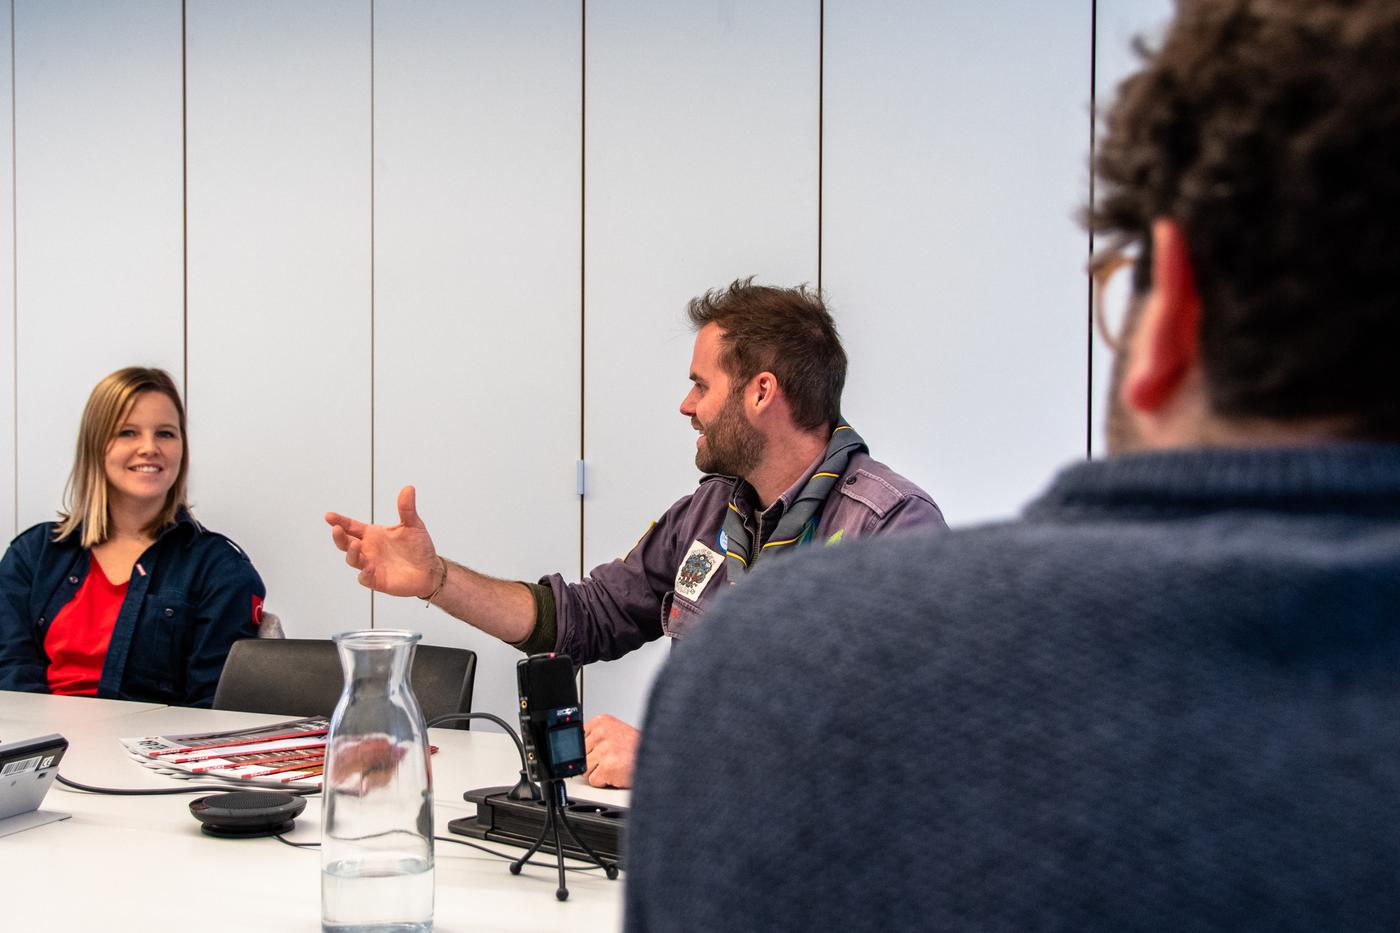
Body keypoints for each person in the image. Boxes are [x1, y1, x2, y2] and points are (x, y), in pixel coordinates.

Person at [624, 1, 1400, 930]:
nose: (684, 403)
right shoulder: (715, 529)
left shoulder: (794, 648)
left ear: (1170, 317)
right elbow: (597, 604)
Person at [326, 279, 946, 787]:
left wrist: (665, 759)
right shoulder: (709, 515)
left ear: (761, 392)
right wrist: (436, 579)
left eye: (702, 384)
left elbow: (896, 749)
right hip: (695, 837)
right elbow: (584, 618)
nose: (686, 405)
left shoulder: (891, 529)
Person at [0, 367, 266, 707]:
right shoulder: (32, 555)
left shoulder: (220, 568)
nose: (149, 448)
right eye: (127, 432)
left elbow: (215, 708)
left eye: (166, 434)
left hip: (150, 756)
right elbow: (11, 678)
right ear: (96, 446)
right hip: (47, 752)